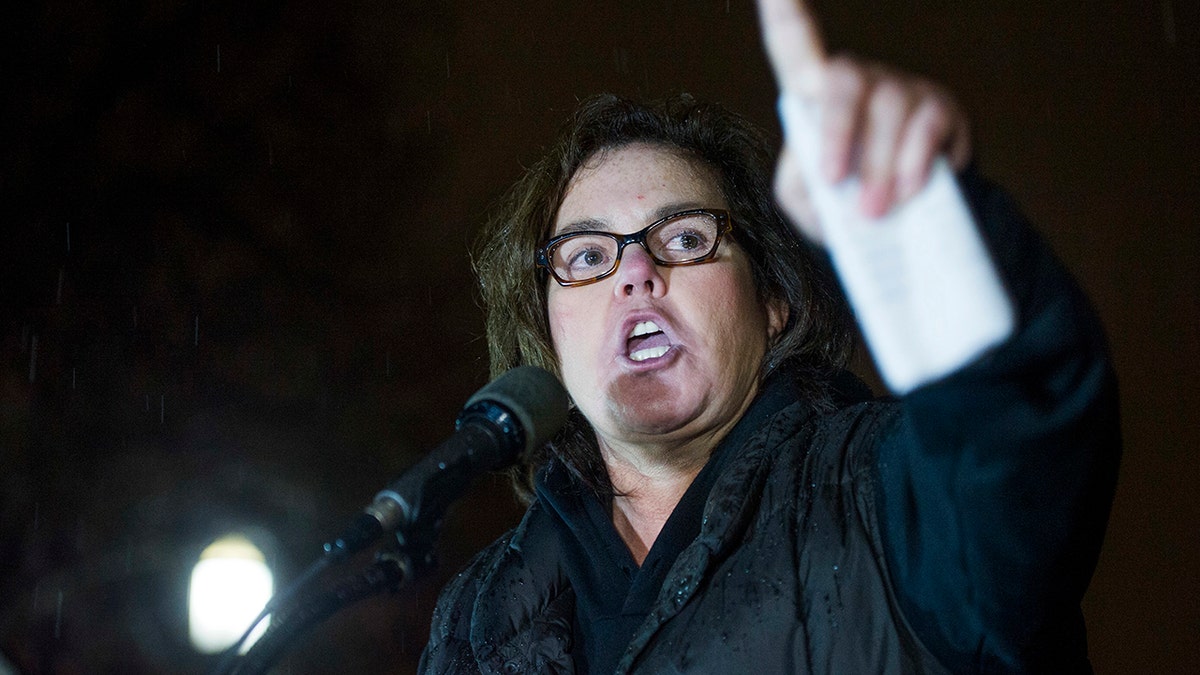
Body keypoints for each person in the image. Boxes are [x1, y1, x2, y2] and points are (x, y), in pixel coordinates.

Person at [420, 0, 1120, 672]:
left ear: (774, 301)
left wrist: (924, 232)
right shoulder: (474, 617)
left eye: (687, 237)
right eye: (588, 257)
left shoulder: (888, 495)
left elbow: (1018, 442)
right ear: (547, 328)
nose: (636, 270)